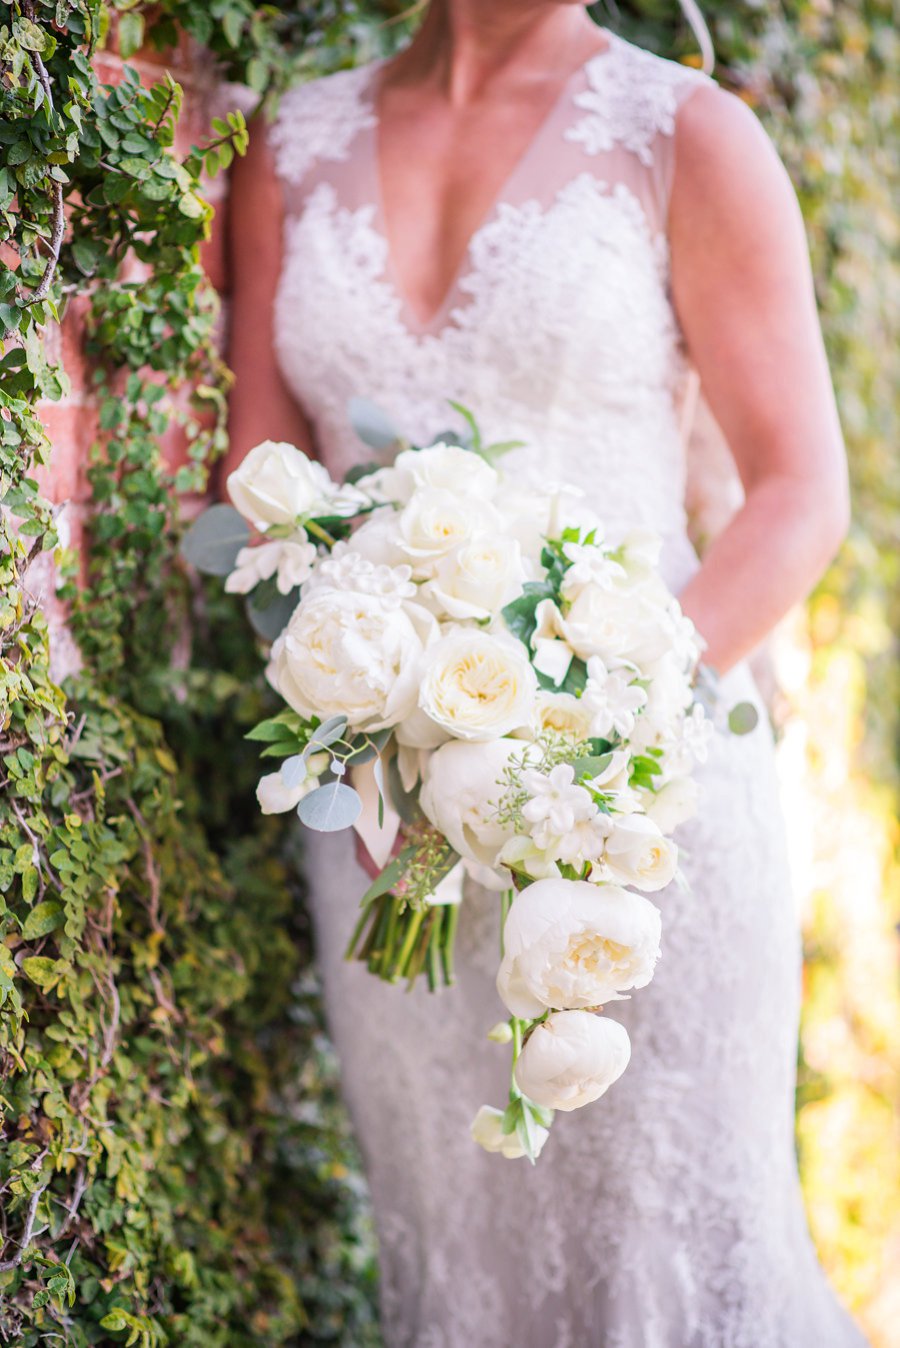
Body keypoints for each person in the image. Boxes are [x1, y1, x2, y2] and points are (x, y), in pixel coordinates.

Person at [224, 2, 869, 1343]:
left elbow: (800, 493)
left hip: (642, 812)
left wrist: (590, 733)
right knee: (464, 1262)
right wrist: (374, 718)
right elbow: (262, 497)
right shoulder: (288, 143)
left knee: (677, 1265)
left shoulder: (690, 139)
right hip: (397, 827)